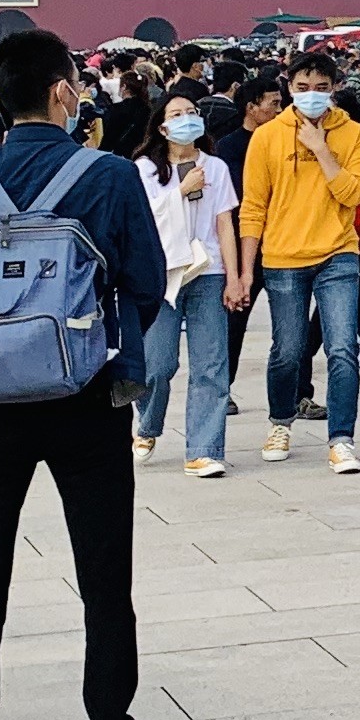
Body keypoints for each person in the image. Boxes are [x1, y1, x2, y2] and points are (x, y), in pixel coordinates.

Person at [0, 28, 161, 720]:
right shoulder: (108, 174)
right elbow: (147, 282)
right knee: (103, 572)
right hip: (85, 394)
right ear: (65, 90)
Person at [240, 52, 360, 475]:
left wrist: (320, 149)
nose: (311, 96)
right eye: (302, 88)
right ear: (288, 87)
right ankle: (280, 422)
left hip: (337, 253)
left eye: (320, 88)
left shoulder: (354, 135)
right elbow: (253, 207)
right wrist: (246, 270)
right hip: (283, 257)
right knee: (288, 349)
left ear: (334, 88)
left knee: (341, 349)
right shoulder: (267, 137)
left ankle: (341, 438)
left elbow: (354, 194)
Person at [134, 85, 245, 470]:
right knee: (157, 364)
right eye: (176, 114)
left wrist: (234, 277)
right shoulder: (145, 169)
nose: (186, 119)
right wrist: (182, 190)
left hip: (208, 271)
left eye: (191, 112)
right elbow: (144, 220)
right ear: (162, 128)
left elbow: (225, 224)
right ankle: (147, 423)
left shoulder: (215, 166)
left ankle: (204, 450)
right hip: (163, 275)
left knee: (211, 365)